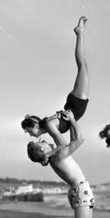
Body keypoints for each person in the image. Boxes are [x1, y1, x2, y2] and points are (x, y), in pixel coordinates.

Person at [27, 110, 102, 218]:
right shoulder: (58, 155)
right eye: (41, 142)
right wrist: (73, 121)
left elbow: (60, 139)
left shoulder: (55, 154)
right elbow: (79, 139)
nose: (43, 139)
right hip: (80, 190)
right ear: (43, 150)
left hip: (83, 189)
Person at [22, 16, 90, 146]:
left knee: (82, 66)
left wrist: (46, 156)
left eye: (29, 131)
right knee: (82, 66)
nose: (30, 135)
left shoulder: (48, 125)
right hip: (75, 104)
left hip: (76, 103)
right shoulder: (48, 127)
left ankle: (79, 33)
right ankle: (80, 33)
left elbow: (62, 145)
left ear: (36, 125)